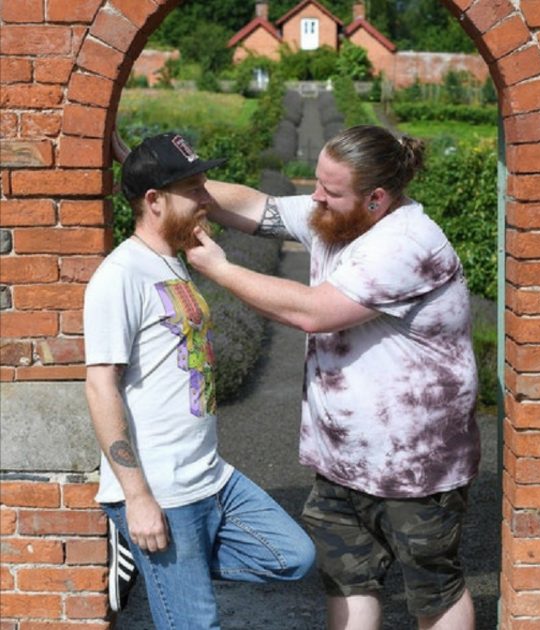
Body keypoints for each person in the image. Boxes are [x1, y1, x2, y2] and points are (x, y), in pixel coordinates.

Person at [185, 125, 481, 629]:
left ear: (376, 199)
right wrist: (177, 183)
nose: (315, 198)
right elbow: (261, 208)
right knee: (347, 579)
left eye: (330, 191)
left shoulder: (407, 244)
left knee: (433, 590)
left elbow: (314, 312)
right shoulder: (335, 216)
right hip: (341, 457)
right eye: (318, 184)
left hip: (414, 464)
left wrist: (219, 268)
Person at [83, 132, 315, 627]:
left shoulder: (174, 259)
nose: (207, 198)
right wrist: (137, 497)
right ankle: (149, 548)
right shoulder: (119, 276)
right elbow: (100, 386)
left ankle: (160, 563)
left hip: (210, 476)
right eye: (195, 189)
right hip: (163, 492)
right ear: (154, 201)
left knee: (292, 557)